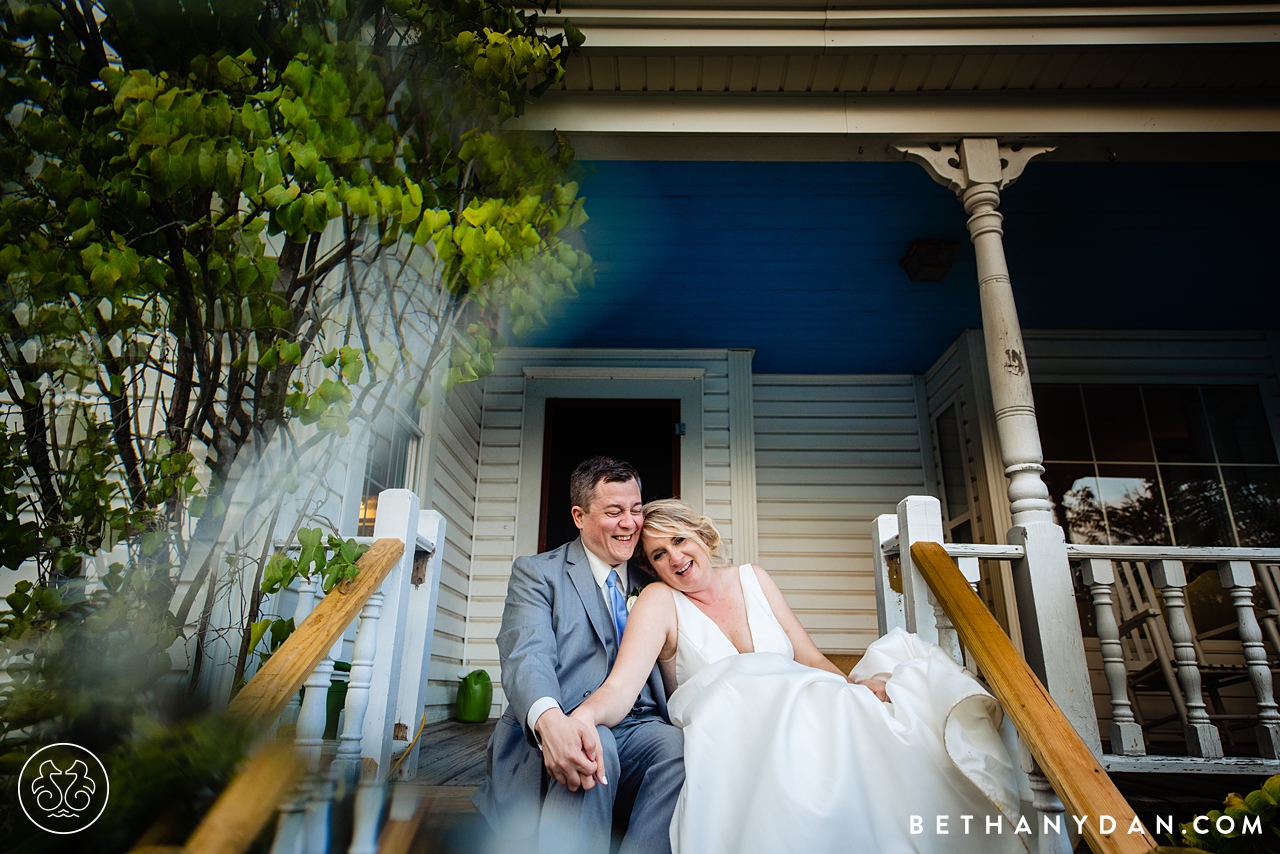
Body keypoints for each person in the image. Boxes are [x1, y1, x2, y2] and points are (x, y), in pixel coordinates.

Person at [570, 499, 1028, 854]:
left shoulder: (754, 577)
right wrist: (579, 720)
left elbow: (807, 655)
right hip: (737, 730)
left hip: (811, 705)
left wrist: (853, 686)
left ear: (702, 536)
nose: (675, 558)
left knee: (894, 715)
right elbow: (622, 687)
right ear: (651, 567)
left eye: (680, 541)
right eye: (659, 553)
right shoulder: (659, 600)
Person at [473, 457, 685, 854]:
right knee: (594, 742)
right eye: (614, 512)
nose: (630, 523)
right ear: (579, 516)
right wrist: (550, 720)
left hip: (640, 728)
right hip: (566, 723)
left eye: (636, 510)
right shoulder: (538, 574)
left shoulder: (654, 583)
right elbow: (525, 654)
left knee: (675, 745)